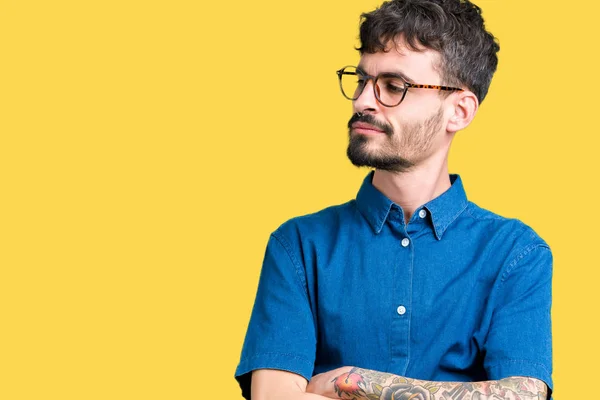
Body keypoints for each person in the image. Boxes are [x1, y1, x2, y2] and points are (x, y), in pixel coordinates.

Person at [235, 0, 553, 399]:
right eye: (362, 80)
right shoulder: (298, 245)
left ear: (459, 111)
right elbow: (274, 397)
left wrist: (347, 380)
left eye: (393, 86)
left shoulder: (516, 254)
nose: (363, 101)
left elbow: (522, 396)